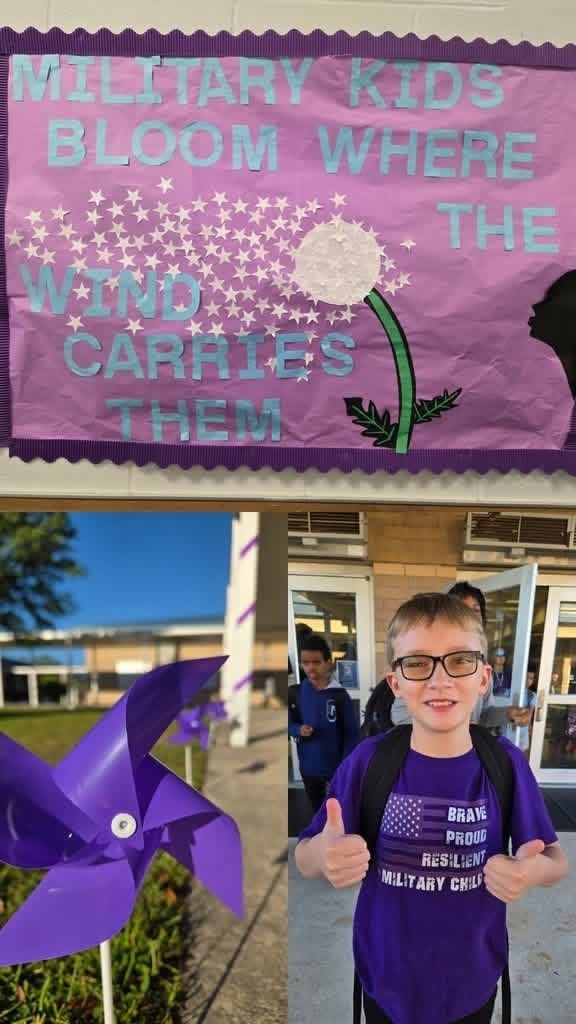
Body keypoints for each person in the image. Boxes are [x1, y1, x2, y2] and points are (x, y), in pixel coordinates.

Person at [295, 593, 568, 1024]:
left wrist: (529, 872)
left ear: (483, 677)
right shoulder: (368, 761)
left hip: (472, 981)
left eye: (459, 661)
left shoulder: (504, 764)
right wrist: (322, 856)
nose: (439, 681)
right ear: (395, 683)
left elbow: (554, 860)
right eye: (418, 663)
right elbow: (307, 853)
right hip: (386, 979)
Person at [391, 582, 530, 732]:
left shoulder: (480, 665)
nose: (467, 616)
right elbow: (399, 715)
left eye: (475, 611)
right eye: (459, 610)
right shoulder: (422, 660)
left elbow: (483, 715)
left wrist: (508, 714)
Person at [288, 633, 359, 814]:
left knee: (339, 810)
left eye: (316, 662)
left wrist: (345, 766)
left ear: (328, 662)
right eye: (306, 663)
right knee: (316, 810)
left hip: (335, 768)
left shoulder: (339, 695)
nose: (311, 668)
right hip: (308, 767)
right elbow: (287, 723)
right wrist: (297, 729)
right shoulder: (295, 693)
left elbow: (351, 734)